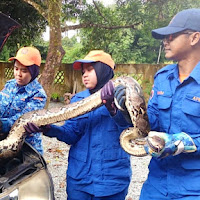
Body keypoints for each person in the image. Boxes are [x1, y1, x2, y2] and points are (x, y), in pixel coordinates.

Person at [24, 50, 133, 200]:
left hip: (111, 180)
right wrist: (49, 128)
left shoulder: (124, 96)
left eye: (89, 70)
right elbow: (71, 134)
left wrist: (113, 108)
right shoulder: (78, 100)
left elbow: (131, 132)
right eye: (83, 72)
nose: (84, 75)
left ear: (103, 70)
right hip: (79, 179)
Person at [140, 8, 200, 200]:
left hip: (194, 188)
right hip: (156, 184)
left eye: (172, 35)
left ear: (194, 38)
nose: (165, 41)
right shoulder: (162, 78)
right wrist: (118, 109)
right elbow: (150, 125)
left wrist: (181, 144)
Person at [0, 46, 47, 154]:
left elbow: (23, 119)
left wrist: (2, 124)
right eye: (16, 69)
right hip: (4, 142)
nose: (18, 74)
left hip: (26, 148)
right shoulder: (10, 84)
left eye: (24, 70)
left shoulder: (38, 94)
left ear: (33, 71)